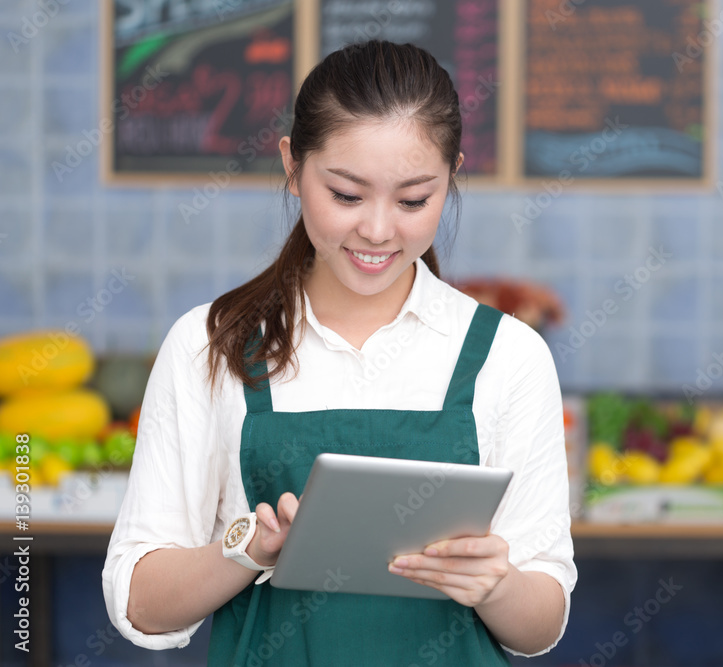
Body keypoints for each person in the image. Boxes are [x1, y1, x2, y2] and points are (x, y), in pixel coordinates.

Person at [102, 40, 576, 665]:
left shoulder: (509, 356)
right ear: (293, 168)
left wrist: (500, 586)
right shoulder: (209, 344)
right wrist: (248, 549)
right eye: (347, 195)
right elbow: (138, 602)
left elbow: (540, 625)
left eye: (414, 200)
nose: (378, 230)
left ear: (452, 175)